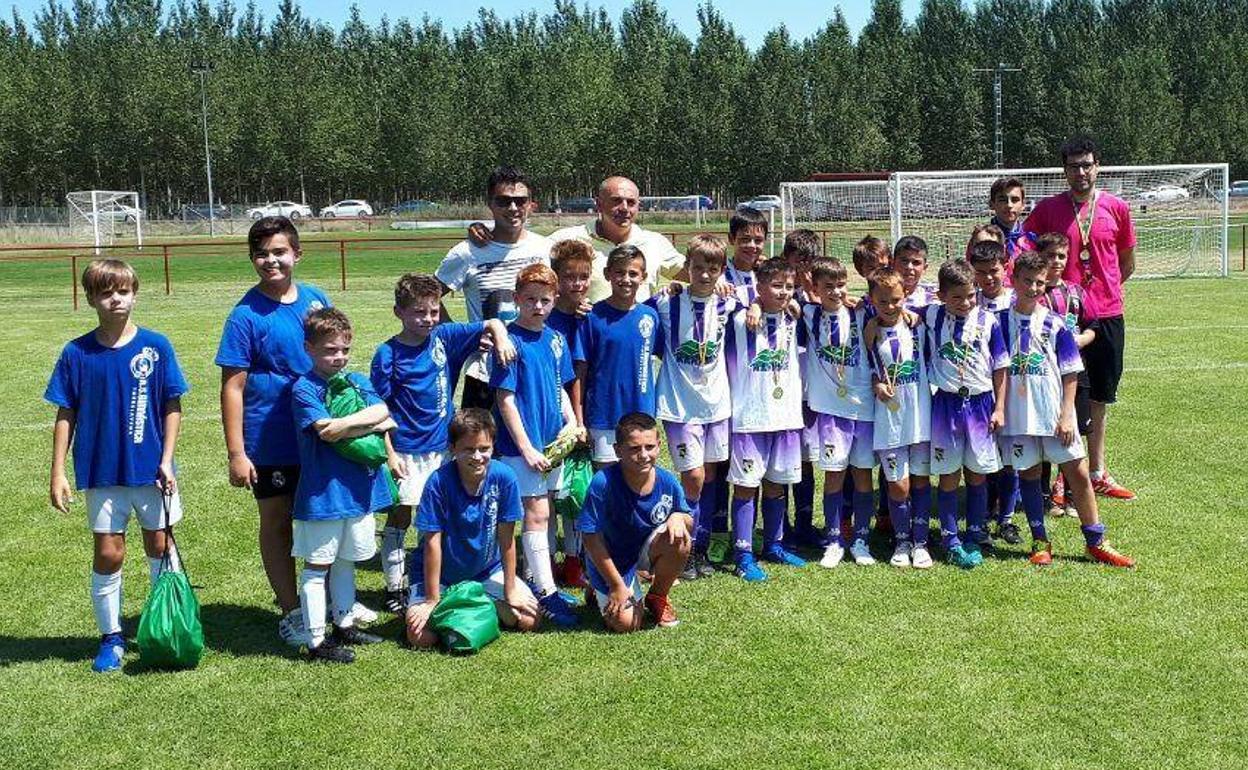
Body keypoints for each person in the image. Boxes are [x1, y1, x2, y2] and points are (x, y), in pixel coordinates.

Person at [46, 259, 189, 672]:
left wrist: (166, 460)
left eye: (123, 291)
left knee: (161, 545)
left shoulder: (156, 347)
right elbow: (65, 413)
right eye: (106, 293)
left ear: (134, 293)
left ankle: (165, 624)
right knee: (109, 553)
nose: (116, 299)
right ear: (90, 299)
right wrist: (58, 472)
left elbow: (172, 405)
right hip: (102, 471)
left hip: (151, 471)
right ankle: (111, 637)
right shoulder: (76, 353)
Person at [216, 215, 334, 646]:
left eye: (279, 251)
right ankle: (291, 610)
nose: (272, 260)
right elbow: (233, 386)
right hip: (270, 440)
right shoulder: (245, 315)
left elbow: (333, 357)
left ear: (297, 254)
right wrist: (237, 452)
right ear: (252, 259)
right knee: (278, 520)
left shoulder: (317, 300)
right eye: (262, 254)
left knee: (325, 518)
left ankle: (333, 605)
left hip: (318, 434)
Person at [369, 273, 516, 612]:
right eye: (419, 312)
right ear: (399, 312)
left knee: (437, 520)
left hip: (442, 449)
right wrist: (390, 454)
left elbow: (491, 321)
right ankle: (395, 587)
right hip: (405, 450)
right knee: (400, 518)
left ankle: (433, 579)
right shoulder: (387, 354)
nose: (428, 319)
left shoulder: (444, 338)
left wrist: (501, 336)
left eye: (434, 311)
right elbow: (379, 410)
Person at [996, 252, 1135, 568]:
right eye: (1027, 281)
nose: (1033, 287)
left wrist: (1067, 413)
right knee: (1029, 474)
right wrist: (1000, 409)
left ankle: (1096, 541)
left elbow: (1070, 371)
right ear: (1014, 281)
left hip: (1053, 413)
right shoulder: (999, 322)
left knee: (1079, 472)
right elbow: (998, 369)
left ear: (1046, 286)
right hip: (1019, 415)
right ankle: (1040, 540)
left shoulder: (1054, 323)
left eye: (1039, 283)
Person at [1024, 135, 1137, 500]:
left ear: (1097, 166)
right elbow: (1023, 248)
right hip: (1062, 317)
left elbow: (1126, 263)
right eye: (1074, 166)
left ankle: (1098, 470)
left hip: (1106, 315)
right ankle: (1062, 479)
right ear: (1065, 171)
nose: (1081, 172)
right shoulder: (1047, 209)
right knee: (1061, 394)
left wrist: (1104, 291)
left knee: (1100, 396)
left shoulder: (1117, 207)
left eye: (1087, 164)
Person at [289, 308, 396, 663]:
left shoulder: (356, 381)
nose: (338, 357)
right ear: (309, 348)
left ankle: (345, 622)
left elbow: (383, 412)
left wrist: (349, 424)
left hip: (357, 491)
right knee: (317, 565)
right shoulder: (304, 388)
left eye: (344, 350)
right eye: (329, 351)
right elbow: (325, 430)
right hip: (323, 494)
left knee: (347, 560)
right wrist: (365, 425)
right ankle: (316, 641)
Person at [491, 264, 583, 627]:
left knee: (545, 512)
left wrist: (572, 422)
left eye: (545, 300)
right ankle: (546, 593)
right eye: (530, 300)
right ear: (516, 299)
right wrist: (526, 448)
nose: (538, 306)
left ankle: (537, 579)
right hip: (521, 448)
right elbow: (505, 399)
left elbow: (561, 385)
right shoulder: (510, 342)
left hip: (551, 443)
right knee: (536, 514)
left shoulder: (556, 338)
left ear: (554, 300)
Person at [403, 409, 542, 648]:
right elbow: (432, 544)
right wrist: (431, 599)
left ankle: (473, 603)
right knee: (420, 638)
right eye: (468, 449)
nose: (477, 456)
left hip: (486, 571)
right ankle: (465, 604)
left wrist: (510, 590)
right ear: (453, 448)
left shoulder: (504, 477)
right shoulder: (438, 482)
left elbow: (507, 540)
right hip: (443, 577)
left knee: (530, 620)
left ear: (493, 446)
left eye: (484, 449)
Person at [647, 234, 738, 580]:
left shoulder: (729, 302)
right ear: (686, 267)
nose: (703, 274)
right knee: (694, 477)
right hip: (679, 405)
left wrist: (757, 305)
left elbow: (757, 305)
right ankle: (681, 550)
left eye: (712, 268)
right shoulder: (666, 302)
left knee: (710, 476)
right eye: (697, 267)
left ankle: (699, 549)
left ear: (721, 270)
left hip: (716, 404)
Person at [437, 166, 553, 410]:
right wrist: (463, 336)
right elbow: (427, 296)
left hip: (533, 365)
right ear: (490, 204)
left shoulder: (545, 248)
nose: (513, 208)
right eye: (503, 201)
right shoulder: (466, 252)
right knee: (479, 445)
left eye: (520, 201)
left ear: (531, 204)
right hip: (485, 372)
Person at [723, 257, 807, 582]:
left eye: (789, 286)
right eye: (776, 286)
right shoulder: (741, 319)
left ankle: (774, 544)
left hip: (785, 417)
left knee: (776, 484)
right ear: (759, 287)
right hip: (751, 419)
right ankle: (743, 554)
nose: (784, 292)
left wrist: (788, 302)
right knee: (745, 486)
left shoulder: (792, 318)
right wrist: (755, 304)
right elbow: (723, 300)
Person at [925, 259, 1009, 568]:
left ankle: (975, 532)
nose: (966, 302)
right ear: (941, 296)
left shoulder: (989, 321)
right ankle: (950, 538)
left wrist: (1000, 407)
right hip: (946, 405)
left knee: (977, 474)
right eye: (957, 296)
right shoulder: (930, 315)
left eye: (971, 295)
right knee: (948, 475)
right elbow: (895, 312)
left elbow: (1000, 367)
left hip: (981, 404)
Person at [578, 413, 693, 631]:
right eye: (634, 449)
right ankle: (597, 583)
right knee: (626, 624)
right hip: (609, 558)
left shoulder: (666, 480)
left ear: (659, 446)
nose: (643, 455)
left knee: (681, 540)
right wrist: (616, 585)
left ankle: (657, 597)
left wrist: (678, 517)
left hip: (642, 552)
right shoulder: (603, 484)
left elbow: (688, 518)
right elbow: (590, 538)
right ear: (617, 450)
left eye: (650, 447)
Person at [800, 257, 878, 567]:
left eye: (840, 285)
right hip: (831, 412)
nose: (835, 291)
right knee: (833, 476)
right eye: (828, 286)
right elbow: (769, 300)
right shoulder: (806, 313)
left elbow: (892, 309)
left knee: (862, 477)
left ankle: (860, 539)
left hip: (863, 409)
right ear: (815, 289)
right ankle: (833, 540)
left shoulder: (861, 313)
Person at [864, 268, 934, 569]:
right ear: (872, 300)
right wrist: (875, 383)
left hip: (918, 418)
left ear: (904, 296)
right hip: (889, 422)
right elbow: (861, 368)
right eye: (882, 301)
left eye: (895, 300)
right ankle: (902, 540)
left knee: (919, 482)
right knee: (898, 485)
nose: (890, 306)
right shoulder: (868, 330)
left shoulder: (919, 324)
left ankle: (920, 542)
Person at [573, 245, 663, 467]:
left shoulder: (650, 317)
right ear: (607, 274)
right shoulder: (591, 317)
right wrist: (578, 419)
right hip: (603, 416)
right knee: (607, 482)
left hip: (641, 414)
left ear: (643, 277)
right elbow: (580, 373)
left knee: (640, 477)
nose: (626, 279)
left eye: (633, 273)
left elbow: (665, 357)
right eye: (619, 272)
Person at [545, 239, 595, 587]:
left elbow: (578, 375)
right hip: (544, 412)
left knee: (573, 490)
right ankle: (545, 563)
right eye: (569, 277)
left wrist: (578, 420)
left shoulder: (583, 318)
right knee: (546, 496)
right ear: (556, 278)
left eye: (583, 277)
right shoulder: (545, 315)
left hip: (574, 414)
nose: (577, 284)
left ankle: (575, 562)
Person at [1035, 232, 1097, 517]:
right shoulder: (1033, 295)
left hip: (1075, 374)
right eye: (1050, 256)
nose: (1056, 261)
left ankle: (1071, 494)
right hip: (1044, 376)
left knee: (1073, 432)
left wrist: (1080, 340)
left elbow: (1092, 326)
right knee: (1045, 432)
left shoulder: (1076, 292)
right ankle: (1044, 495)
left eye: (1061, 256)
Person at [547, 176, 685, 303]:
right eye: (616, 201)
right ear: (599, 204)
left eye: (631, 202)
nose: (624, 208)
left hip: (638, 327)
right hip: (583, 328)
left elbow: (697, 274)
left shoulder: (655, 243)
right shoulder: (566, 240)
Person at [969, 239, 1022, 543]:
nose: (988, 278)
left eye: (994, 271)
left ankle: (1008, 518)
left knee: (1010, 458)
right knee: (984, 458)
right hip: (980, 394)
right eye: (981, 272)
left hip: (1013, 390)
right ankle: (985, 516)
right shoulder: (967, 301)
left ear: (1005, 269)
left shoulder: (1017, 300)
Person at [725, 206, 769, 305]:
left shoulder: (768, 274)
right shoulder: (719, 271)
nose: (752, 246)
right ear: (731, 239)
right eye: (745, 239)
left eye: (758, 240)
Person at [988, 176, 1036, 260]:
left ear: (1023, 205)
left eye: (1015, 200)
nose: (1009, 205)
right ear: (991, 204)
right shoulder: (984, 238)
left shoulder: (1031, 238)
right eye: (1002, 200)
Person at [892, 235, 938, 310]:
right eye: (904, 261)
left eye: (916, 262)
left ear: (924, 268)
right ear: (893, 263)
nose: (909, 267)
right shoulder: (881, 296)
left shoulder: (935, 298)